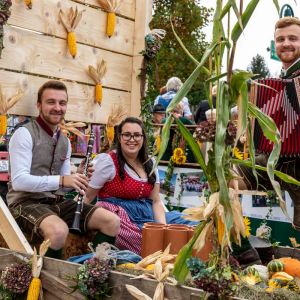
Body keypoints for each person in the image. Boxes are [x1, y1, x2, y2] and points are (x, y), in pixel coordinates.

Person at [7, 80, 120, 259]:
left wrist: (77, 177)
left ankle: (93, 273)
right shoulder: (24, 134)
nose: (57, 107)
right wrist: (62, 179)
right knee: (59, 231)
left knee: (111, 221)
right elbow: (19, 182)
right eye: (51, 102)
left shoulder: (65, 141)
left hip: (55, 203)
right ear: (39, 105)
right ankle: (51, 282)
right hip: (24, 203)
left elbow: (63, 186)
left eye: (62, 103)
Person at [84, 117, 196, 255]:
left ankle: (186, 261)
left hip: (147, 213)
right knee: (148, 240)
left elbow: (155, 201)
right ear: (119, 137)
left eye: (137, 135)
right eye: (127, 135)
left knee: (191, 224)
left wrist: (163, 228)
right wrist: (77, 224)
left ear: (143, 138)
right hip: (119, 215)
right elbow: (88, 196)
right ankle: (160, 258)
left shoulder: (150, 162)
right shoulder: (108, 162)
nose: (132, 139)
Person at [236, 16, 300, 229]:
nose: (286, 43)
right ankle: (243, 253)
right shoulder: (275, 80)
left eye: (293, 38)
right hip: (273, 159)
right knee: (226, 182)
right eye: (281, 39)